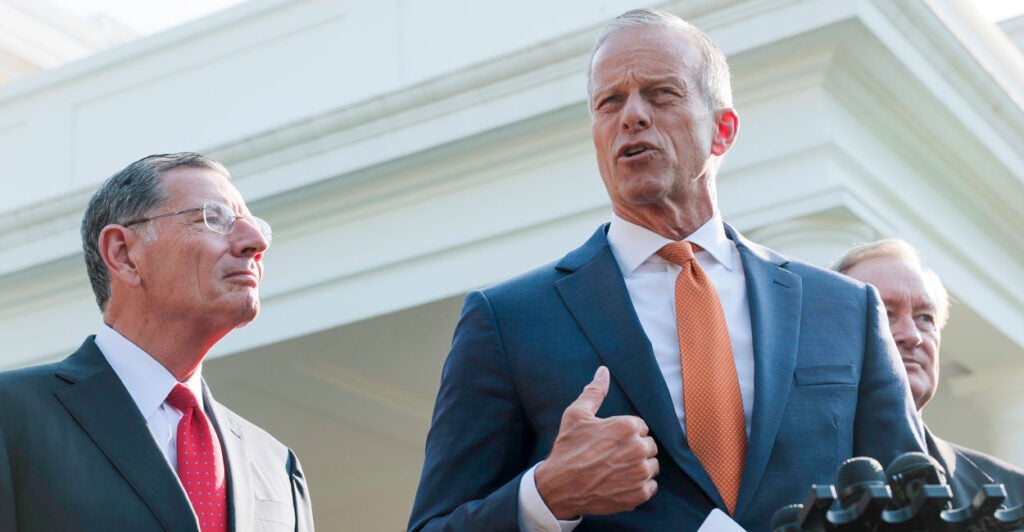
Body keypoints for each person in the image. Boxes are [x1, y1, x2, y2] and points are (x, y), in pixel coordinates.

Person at [409, 8, 925, 531]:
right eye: (609, 101)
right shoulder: (508, 320)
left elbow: (914, 509)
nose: (631, 116)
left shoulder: (844, 309)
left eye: (661, 94)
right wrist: (546, 495)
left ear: (722, 130)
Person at [0, 153, 314, 531]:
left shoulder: (277, 466)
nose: (256, 241)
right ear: (124, 254)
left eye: (253, 225)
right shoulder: (13, 417)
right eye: (213, 219)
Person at [834, 238, 1024, 509]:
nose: (912, 336)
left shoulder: (1013, 496)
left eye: (925, 317)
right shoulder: (777, 476)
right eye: (885, 313)